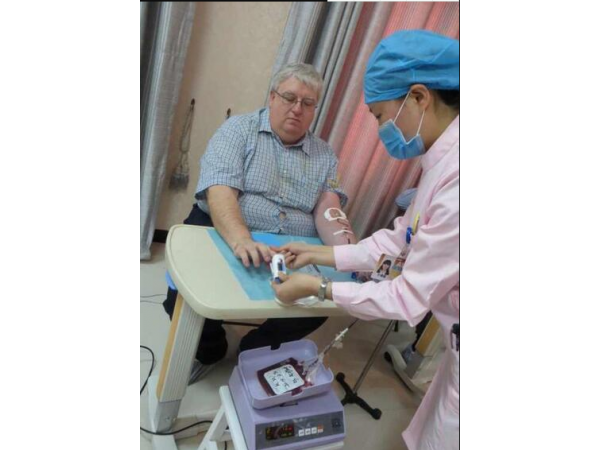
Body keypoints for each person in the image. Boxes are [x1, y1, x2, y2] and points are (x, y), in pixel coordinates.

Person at [271, 30, 459, 450]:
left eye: (379, 116)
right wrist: (319, 252)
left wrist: (319, 287)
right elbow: (401, 237)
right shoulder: (442, 161)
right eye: (287, 98)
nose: (380, 129)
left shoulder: (460, 179)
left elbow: (406, 296)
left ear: (418, 98)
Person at [163, 63, 357, 383]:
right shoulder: (238, 130)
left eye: (307, 103)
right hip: (225, 228)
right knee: (183, 298)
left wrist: (351, 254)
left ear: (314, 110)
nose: (297, 109)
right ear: (272, 97)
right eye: (289, 98)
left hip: (291, 246)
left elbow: (329, 207)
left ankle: (252, 350)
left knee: (318, 304)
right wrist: (241, 239)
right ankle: (210, 349)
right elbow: (220, 190)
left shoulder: (324, 155)